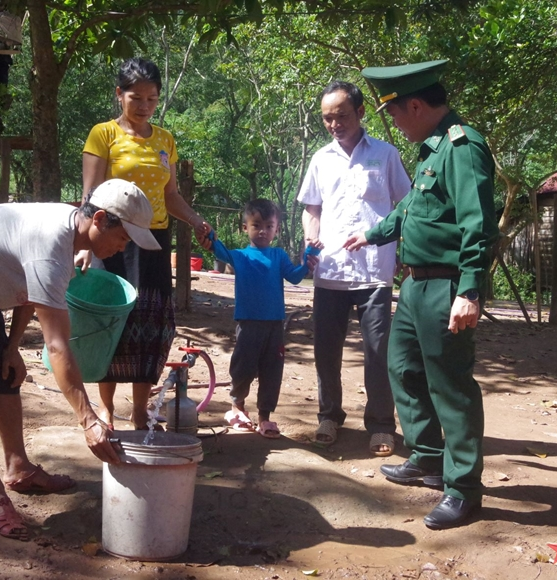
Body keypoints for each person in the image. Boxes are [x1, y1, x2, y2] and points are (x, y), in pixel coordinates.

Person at [0, 179, 161, 541]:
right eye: (125, 236)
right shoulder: (51, 246)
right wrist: (88, 421)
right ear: (100, 219)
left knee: (6, 375)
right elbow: (58, 346)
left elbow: (29, 290)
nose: (125, 245)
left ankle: (18, 467)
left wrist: (11, 347)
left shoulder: (72, 239)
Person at [346, 59, 499, 530]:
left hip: (446, 285)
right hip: (413, 283)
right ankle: (429, 459)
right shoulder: (431, 152)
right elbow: (411, 210)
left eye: (394, 113)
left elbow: (477, 224)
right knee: (404, 369)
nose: (393, 122)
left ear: (415, 105)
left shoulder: (462, 147)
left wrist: (470, 290)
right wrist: (371, 235)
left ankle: (464, 489)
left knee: (450, 385)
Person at [81, 57, 211, 430]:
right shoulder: (102, 134)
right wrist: (87, 244)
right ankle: (105, 407)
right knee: (110, 321)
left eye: (152, 99)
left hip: (153, 243)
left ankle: (139, 410)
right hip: (111, 237)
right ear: (119, 95)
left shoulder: (165, 140)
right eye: (135, 97)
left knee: (149, 326)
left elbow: (170, 196)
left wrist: (196, 220)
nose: (144, 106)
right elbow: (90, 194)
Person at [297, 81, 412, 454]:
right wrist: (309, 239)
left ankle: (381, 424)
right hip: (329, 270)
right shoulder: (320, 159)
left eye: (341, 116)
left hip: (374, 271)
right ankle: (329, 415)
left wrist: (404, 253)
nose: (334, 124)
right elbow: (311, 207)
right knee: (325, 351)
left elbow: (405, 206)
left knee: (378, 351)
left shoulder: (385, 154)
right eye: (327, 118)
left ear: (361, 113)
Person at [209, 199, 321, 438]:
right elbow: (220, 251)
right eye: (256, 225)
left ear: (276, 230)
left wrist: (307, 261)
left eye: (269, 226)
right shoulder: (240, 256)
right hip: (249, 323)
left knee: (272, 370)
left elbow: (294, 277)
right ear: (245, 227)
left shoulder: (279, 255)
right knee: (243, 367)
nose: (262, 231)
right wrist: (209, 236)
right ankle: (236, 407)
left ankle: (265, 417)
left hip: (274, 325)